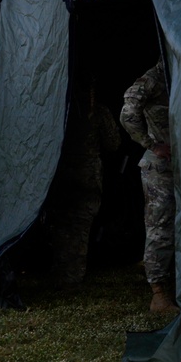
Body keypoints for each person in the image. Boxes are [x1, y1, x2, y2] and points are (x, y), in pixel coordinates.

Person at [45, 80, 120, 290]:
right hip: (88, 175)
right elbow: (113, 143)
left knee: (60, 222)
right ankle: (72, 274)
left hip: (60, 172)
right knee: (80, 226)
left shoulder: (59, 106)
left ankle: (58, 269)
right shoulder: (98, 111)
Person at [120, 61, 177, 314]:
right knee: (160, 228)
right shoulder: (154, 78)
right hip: (161, 168)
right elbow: (128, 114)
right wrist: (151, 144)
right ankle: (159, 293)